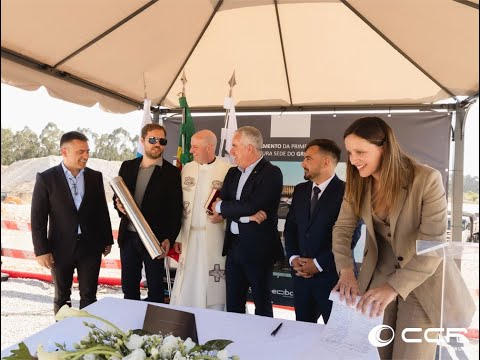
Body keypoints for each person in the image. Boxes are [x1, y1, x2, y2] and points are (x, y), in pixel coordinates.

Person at [332, 116, 449, 359]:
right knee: (375, 353)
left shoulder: (426, 179)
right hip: (376, 280)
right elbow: (342, 229)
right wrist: (346, 270)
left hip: (420, 283)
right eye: (350, 152)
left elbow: (434, 245)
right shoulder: (356, 183)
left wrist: (393, 287)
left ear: (384, 148)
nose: (353, 161)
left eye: (360, 152)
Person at [31, 131, 113, 314]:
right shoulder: (46, 178)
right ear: (64, 152)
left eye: (87, 151)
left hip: (90, 247)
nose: (86, 156)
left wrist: (107, 239)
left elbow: (101, 210)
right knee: (62, 296)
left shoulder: (95, 177)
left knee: (89, 296)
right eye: (80, 152)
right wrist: (41, 250)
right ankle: (62, 338)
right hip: (59, 248)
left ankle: (88, 337)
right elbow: (38, 217)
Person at [212, 126, 284, 317]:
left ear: (250, 148)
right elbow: (225, 205)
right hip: (234, 248)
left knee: (262, 305)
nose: (231, 151)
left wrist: (230, 210)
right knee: (233, 305)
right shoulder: (233, 173)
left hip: (258, 250)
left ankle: (265, 345)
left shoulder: (271, 173)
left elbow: (249, 205)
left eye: (235, 146)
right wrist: (246, 216)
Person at [115, 123, 182, 303]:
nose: (157, 144)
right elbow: (118, 198)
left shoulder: (172, 173)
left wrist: (169, 237)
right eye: (152, 139)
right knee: (129, 290)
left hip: (155, 240)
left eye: (162, 140)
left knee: (156, 292)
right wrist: (119, 206)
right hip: (128, 238)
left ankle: (152, 330)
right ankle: (129, 328)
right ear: (142, 141)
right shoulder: (127, 166)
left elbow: (175, 210)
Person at [170, 130, 233, 310]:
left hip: (215, 237)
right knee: (187, 280)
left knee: (212, 282)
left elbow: (233, 204)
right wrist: (178, 237)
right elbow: (179, 206)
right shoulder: (187, 168)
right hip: (189, 237)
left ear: (210, 147)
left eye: (196, 147)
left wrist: (223, 214)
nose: (191, 150)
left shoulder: (227, 170)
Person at [284, 139, 344, 324]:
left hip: (332, 279)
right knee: (302, 331)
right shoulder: (301, 190)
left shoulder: (347, 192)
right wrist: (293, 257)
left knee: (335, 338)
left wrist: (318, 264)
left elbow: (348, 238)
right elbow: (291, 227)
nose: (303, 163)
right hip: (301, 278)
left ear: (326, 162)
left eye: (308, 159)